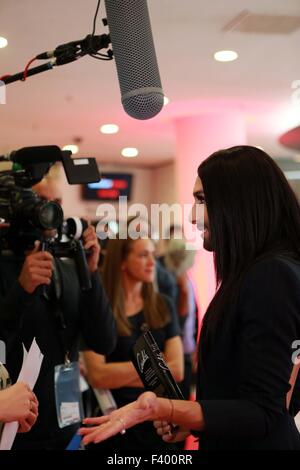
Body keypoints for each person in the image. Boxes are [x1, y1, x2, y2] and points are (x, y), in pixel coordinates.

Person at [79, 145, 300, 450]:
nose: (194, 217)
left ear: (238, 202)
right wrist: (192, 418)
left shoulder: (271, 275)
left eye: (202, 200)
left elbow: (264, 411)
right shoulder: (260, 272)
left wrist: (165, 409)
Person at [0, 183, 117, 449]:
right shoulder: (5, 266)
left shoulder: (68, 266)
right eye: (41, 201)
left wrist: (90, 273)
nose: (50, 210)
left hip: (67, 421)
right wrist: (22, 290)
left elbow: (104, 342)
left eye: (57, 201)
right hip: (15, 428)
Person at [82, 234, 184, 451]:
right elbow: (98, 375)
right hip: (113, 425)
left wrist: (116, 373)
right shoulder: (100, 310)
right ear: (122, 261)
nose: (152, 263)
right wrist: (157, 368)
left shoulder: (163, 305)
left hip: (159, 424)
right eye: (143, 255)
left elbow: (177, 370)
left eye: (153, 255)